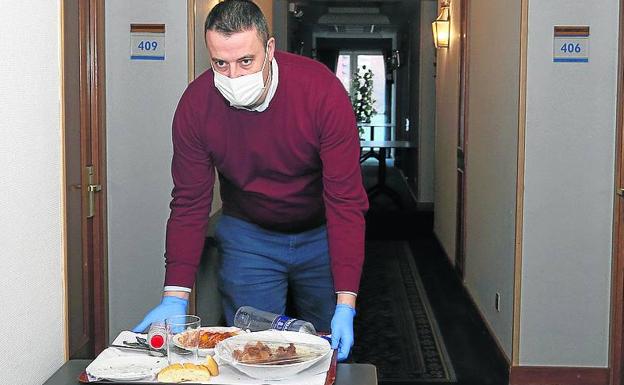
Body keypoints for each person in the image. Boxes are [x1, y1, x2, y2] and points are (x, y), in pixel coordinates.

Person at [132, 0, 368, 361]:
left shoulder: (321, 92)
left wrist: (347, 301)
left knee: (323, 353)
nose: (234, 76)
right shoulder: (196, 107)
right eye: (220, 64)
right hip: (249, 235)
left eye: (246, 61)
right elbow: (190, 203)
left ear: (269, 50)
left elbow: (345, 201)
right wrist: (174, 294)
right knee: (249, 351)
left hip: (322, 233)